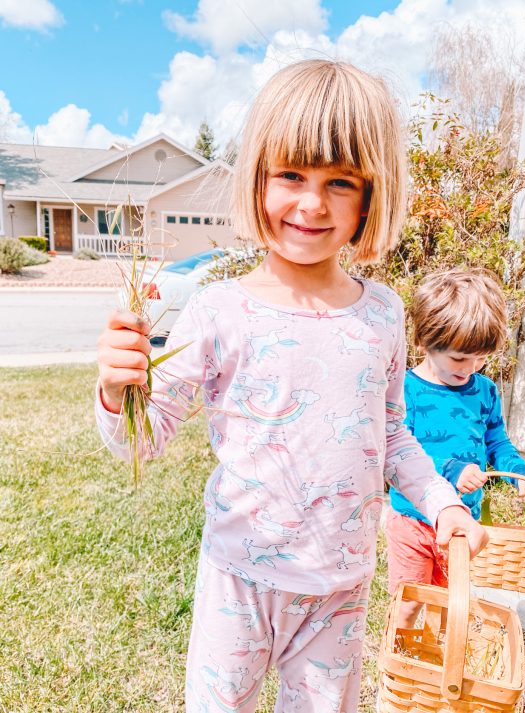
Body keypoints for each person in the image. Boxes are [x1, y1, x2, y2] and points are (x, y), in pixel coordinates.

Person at [96, 60, 487, 713]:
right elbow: (147, 436)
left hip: (338, 588)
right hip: (237, 580)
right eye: (291, 175)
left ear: (371, 195)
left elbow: (392, 435)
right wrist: (119, 390)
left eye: (340, 181)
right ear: (257, 178)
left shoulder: (383, 314)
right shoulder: (218, 311)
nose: (311, 202)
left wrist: (442, 501)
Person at [386, 268, 525, 629]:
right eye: (460, 359)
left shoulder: (485, 391)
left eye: (481, 358)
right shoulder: (406, 391)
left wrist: (521, 474)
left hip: (462, 525)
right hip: (413, 520)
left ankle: (436, 668)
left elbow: (497, 442)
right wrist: (453, 470)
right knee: (409, 603)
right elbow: (403, 451)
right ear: (425, 341)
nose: (471, 368)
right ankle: (395, 665)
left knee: (449, 606)